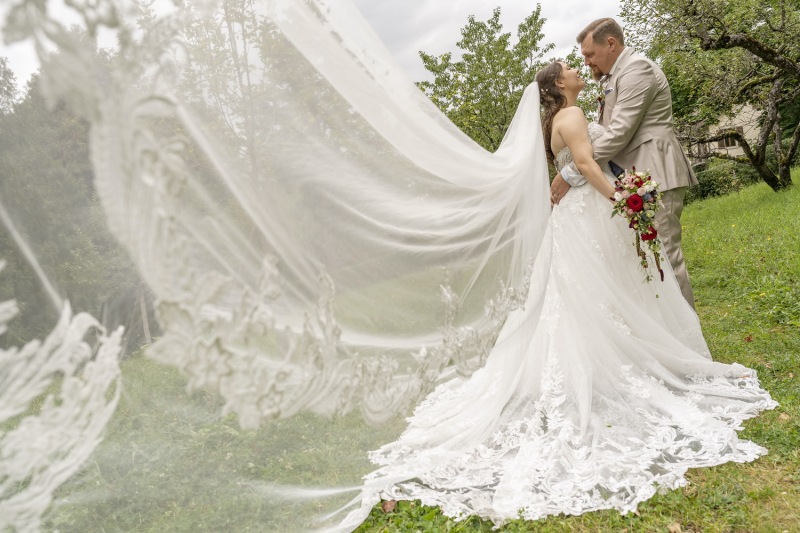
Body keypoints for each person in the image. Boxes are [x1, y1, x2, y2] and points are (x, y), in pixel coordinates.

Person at [339, 60, 775, 530]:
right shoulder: (572, 115)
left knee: (581, 292)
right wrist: (623, 199)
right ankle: (598, 366)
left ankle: (603, 359)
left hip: (574, 215)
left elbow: (575, 166)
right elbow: (586, 164)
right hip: (587, 211)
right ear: (558, 85)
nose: (576, 70)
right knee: (587, 290)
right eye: (570, 69)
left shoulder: (557, 121)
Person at [549, 18, 698, 308]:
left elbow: (618, 133)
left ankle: (688, 342)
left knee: (665, 255)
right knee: (648, 258)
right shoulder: (613, 77)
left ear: (611, 44)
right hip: (634, 178)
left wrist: (573, 170)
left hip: (655, 172)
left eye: (590, 54)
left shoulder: (636, 70)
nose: (587, 62)